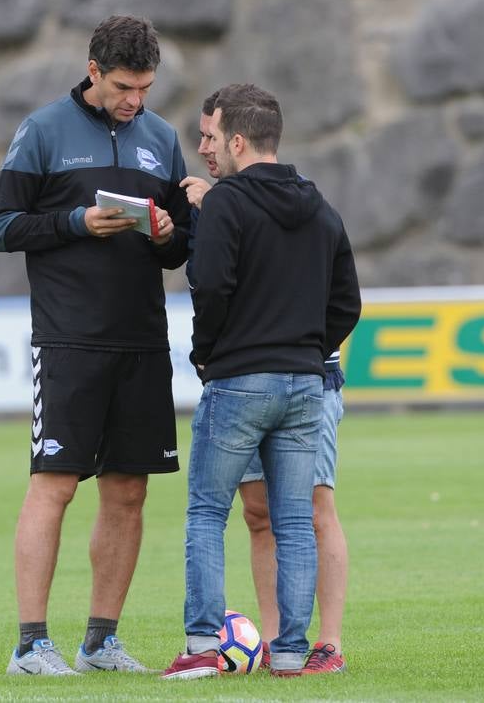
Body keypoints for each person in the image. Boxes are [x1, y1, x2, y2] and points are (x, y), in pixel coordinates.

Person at [0, 15, 193, 677]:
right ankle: (30, 645)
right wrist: (76, 221)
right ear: (94, 71)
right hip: (69, 340)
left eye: (147, 88)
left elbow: (185, 245)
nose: (136, 101)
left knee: (129, 491)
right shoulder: (43, 130)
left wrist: (164, 232)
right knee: (56, 485)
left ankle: (101, 641)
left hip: (142, 341)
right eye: (125, 87)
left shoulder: (161, 138)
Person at [161, 84, 360, 680]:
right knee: (294, 519)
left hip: (240, 379)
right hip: (306, 383)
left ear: (238, 140)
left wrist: (207, 353)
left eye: (211, 136)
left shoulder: (226, 204)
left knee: (205, 512)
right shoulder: (321, 207)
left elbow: (211, 284)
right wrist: (307, 348)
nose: (206, 147)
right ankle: (294, 653)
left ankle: (201, 646)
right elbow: (347, 303)